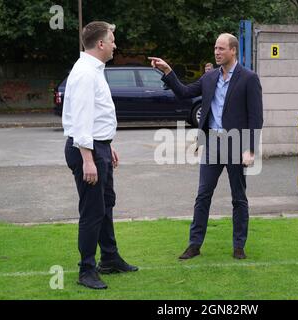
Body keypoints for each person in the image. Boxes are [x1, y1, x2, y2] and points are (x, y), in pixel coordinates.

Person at [149, 33, 263, 260]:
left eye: (221, 49)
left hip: (236, 143)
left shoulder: (249, 78)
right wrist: (168, 71)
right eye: (215, 48)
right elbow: (184, 92)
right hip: (212, 143)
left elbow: (256, 117)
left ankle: (239, 245)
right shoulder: (210, 78)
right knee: (203, 195)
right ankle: (194, 245)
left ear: (233, 51)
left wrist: (250, 149)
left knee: (238, 198)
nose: (217, 52)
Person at [63, 21, 138, 290]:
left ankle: (109, 258)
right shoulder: (85, 72)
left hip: (99, 146)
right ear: (101, 44)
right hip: (88, 149)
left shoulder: (94, 70)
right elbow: (81, 119)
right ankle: (86, 269)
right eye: (113, 39)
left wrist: (108, 145)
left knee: (106, 204)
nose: (116, 44)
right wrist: (88, 158)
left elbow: (96, 116)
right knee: (93, 211)